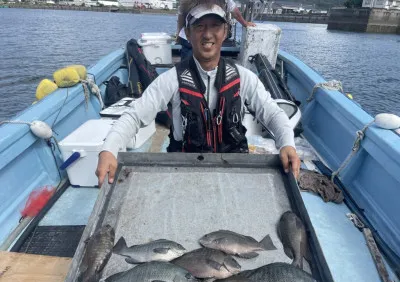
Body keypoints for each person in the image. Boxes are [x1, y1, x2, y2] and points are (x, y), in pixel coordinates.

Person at [96, 0, 300, 186]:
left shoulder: (244, 78)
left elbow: (273, 114)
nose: (208, 34)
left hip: (235, 168)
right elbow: (134, 115)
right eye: (200, 26)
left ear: (225, 31)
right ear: (188, 32)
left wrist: (287, 144)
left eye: (215, 26)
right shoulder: (171, 80)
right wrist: (109, 149)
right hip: (184, 169)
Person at [177, 0, 256, 60]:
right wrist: (244, 23)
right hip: (189, 38)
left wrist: (245, 23)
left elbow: (181, 16)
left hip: (188, 37)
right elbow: (235, 11)